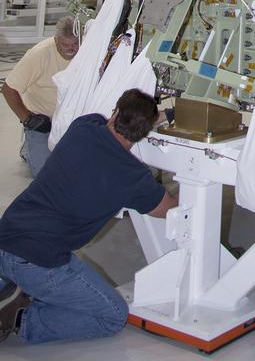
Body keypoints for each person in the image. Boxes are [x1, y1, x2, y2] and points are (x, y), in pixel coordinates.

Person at [0, 88, 177, 344]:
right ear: (143, 132)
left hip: (6, 236)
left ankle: (11, 286)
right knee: (113, 316)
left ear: (115, 113)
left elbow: (107, 121)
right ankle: (19, 319)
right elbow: (168, 209)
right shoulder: (132, 177)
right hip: (39, 261)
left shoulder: (83, 128)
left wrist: (160, 116)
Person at [2, 17, 79, 177]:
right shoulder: (39, 54)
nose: (71, 49)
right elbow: (8, 89)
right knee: (46, 174)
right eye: (65, 45)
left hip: (72, 119)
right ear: (56, 40)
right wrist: (28, 119)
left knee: (82, 167)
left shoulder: (86, 51)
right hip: (41, 121)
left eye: (75, 44)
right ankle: (29, 145)